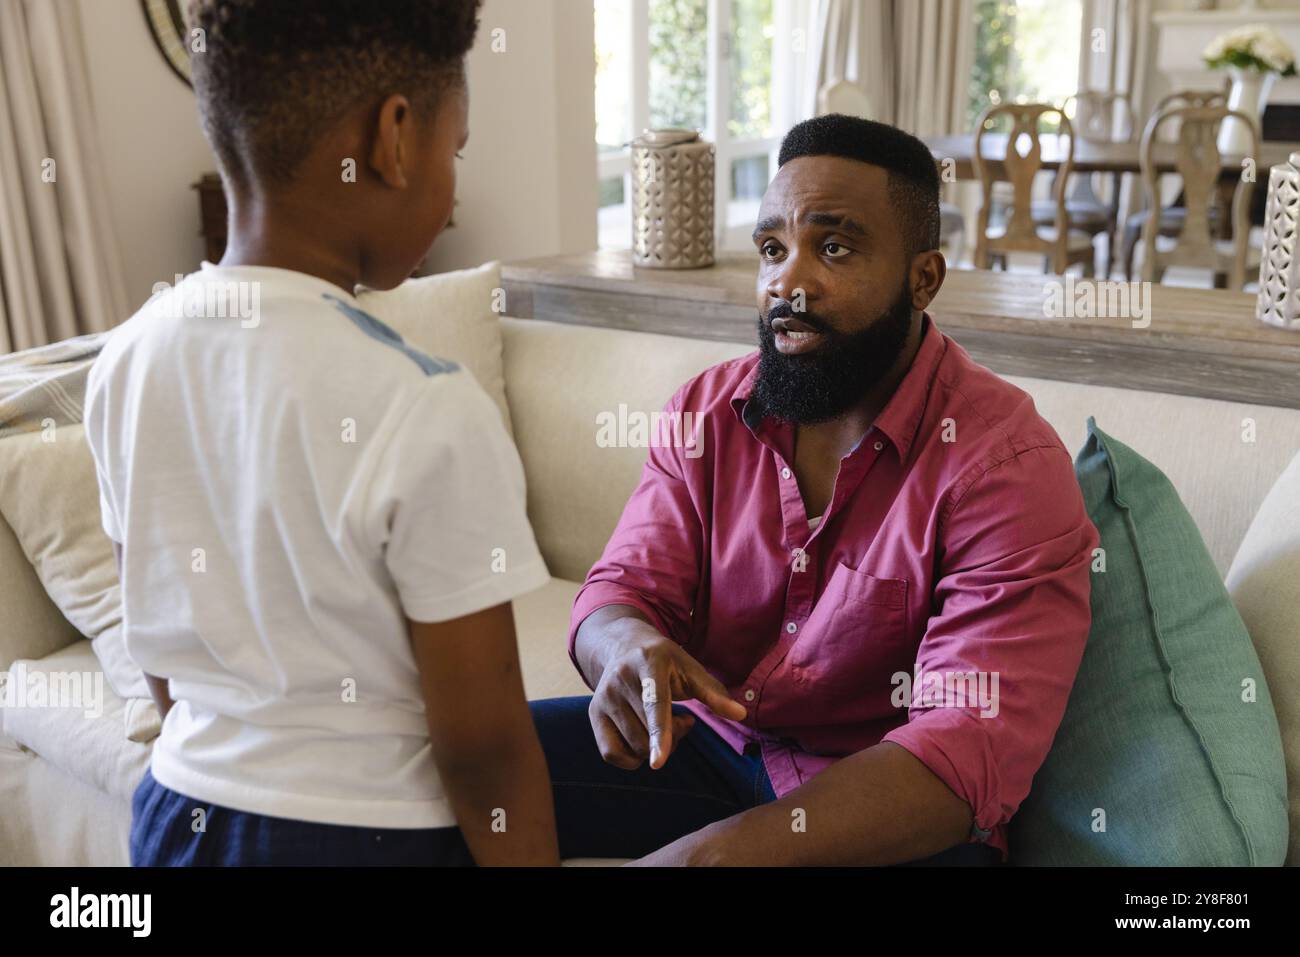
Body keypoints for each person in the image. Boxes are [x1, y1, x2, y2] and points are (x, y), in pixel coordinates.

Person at [530, 113, 1100, 866]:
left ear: (922, 278)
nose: (786, 283)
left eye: (833, 247)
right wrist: (625, 645)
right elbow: (622, 585)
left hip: (884, 804)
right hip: (713, 749)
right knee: (471, 761)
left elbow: (964, 750)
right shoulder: (704, 411)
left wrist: (710, 858)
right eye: (773, 248)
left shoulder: (1006, 465)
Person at [84, 0, 559, 866]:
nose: (452, 180)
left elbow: (157, 646)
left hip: (178, 813)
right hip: (370, 841)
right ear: (394, 138)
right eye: (455, 151)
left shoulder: (126, 360)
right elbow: (484, 749)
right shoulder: (429, 405)